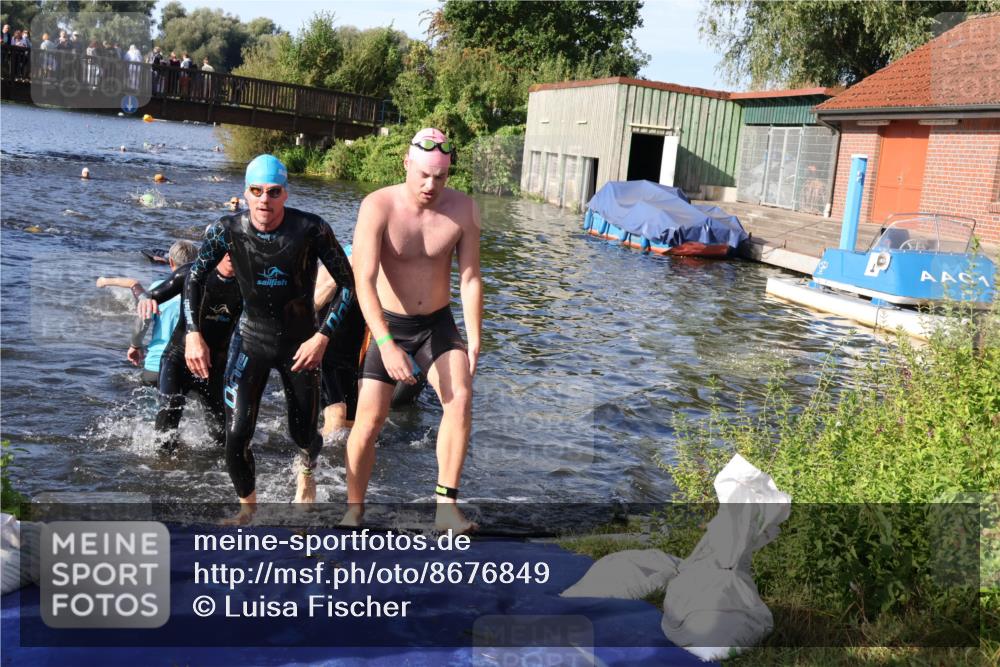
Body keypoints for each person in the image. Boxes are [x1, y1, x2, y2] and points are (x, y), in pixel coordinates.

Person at [184, 154, 354, 524]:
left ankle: (306, 470)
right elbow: (194, 278)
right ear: (245, 193)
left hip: (300, 345)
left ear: (285, 194)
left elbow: (348, 284)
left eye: (274, 192)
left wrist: (323, 337)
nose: (265, 200)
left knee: (303, 432)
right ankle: (248, 509)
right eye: (257, 191)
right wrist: (193, 333)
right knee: (236, 434)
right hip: (251, 340)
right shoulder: (226, 229)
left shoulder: (311, 229)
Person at [345, 128, 482, 533]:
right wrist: (385, 343)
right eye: (423, 175)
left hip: (436, 323)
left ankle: (446, 508)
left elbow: (470, 278)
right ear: (406, 164)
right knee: (370, 420)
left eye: (440, 177)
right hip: (388, 323)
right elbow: (363, 280)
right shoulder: (378, 206)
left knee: (460, 399)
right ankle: (354, 509)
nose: (430, 185)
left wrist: (475, 338)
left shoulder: (463, 209)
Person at [138, 253, 242, 451]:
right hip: (177, 359)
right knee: (166, 430)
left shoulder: (248, 282)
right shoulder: (192, 272)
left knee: (222, 437)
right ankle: (163, 465)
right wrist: (145, 299)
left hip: (214, 367)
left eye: (236, 247)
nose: (231, 253)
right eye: (226, 247)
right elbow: (151, 295)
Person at [98, 240, 196, 386]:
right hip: (193, 365)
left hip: (156, 365)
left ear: (170, 262)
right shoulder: (203, 291)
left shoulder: (158, 288)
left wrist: (135, 345)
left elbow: (144, 319)